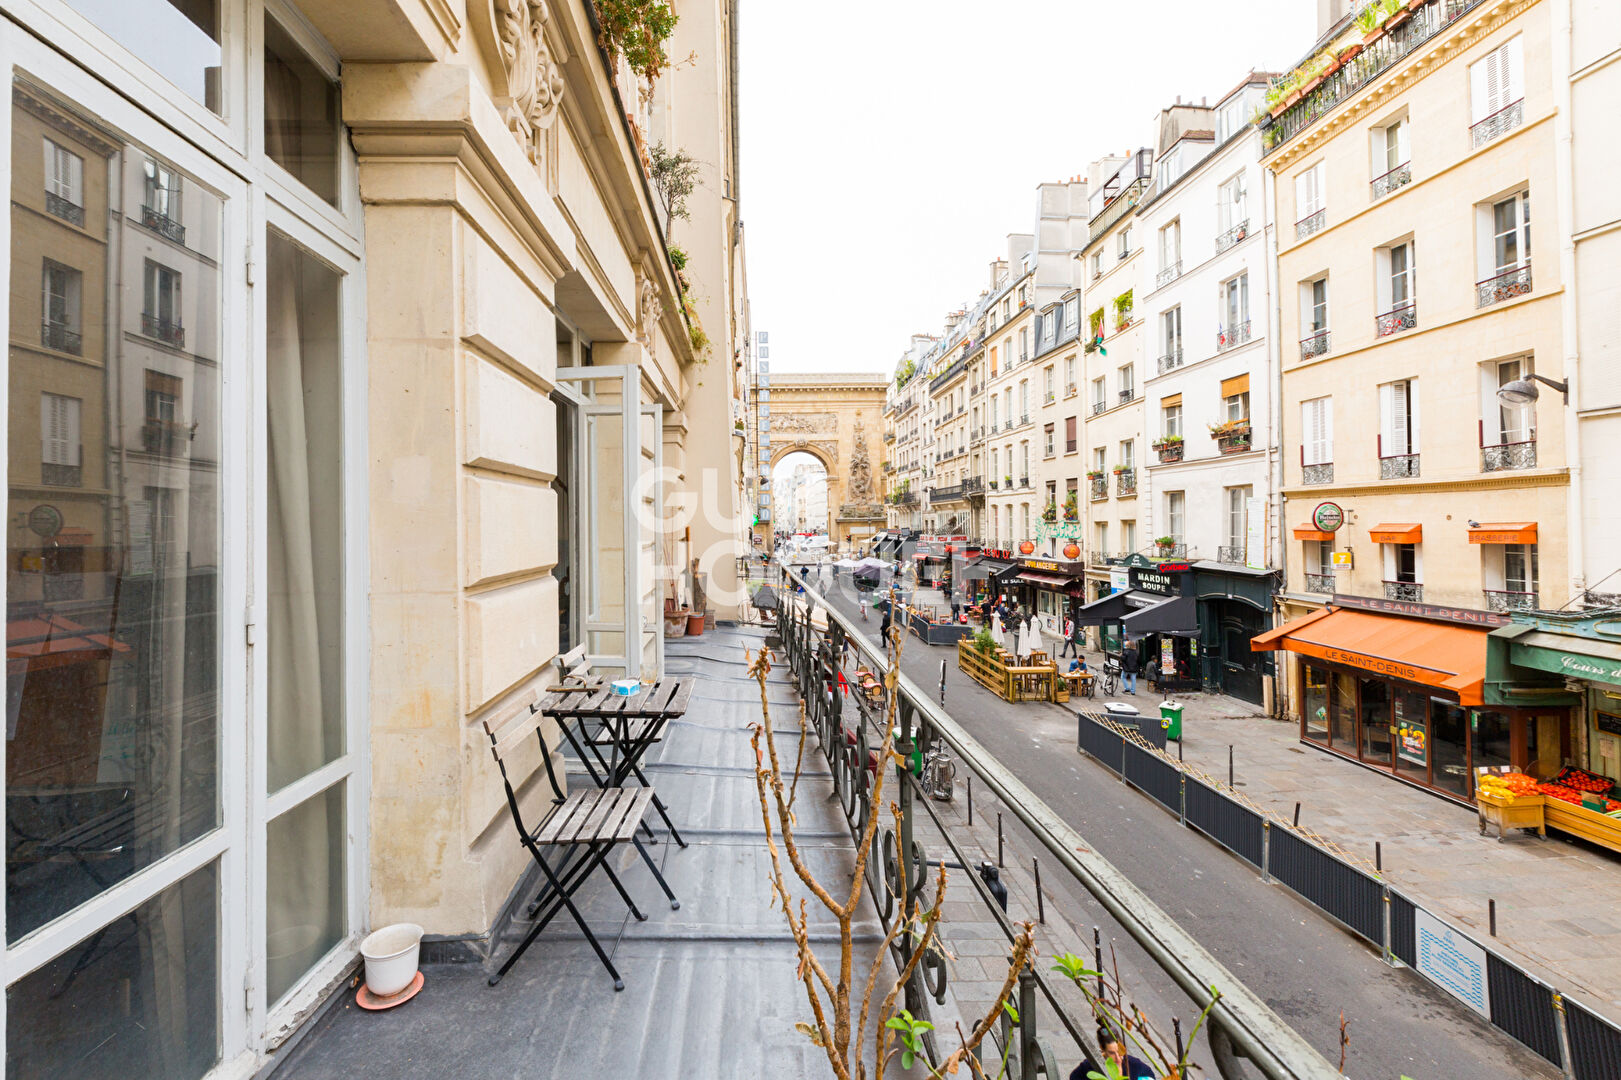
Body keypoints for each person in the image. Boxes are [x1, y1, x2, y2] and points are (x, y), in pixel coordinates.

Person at [1069, 1028, 1154, 1080]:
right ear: (1102, 1049)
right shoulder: (1090, 1066)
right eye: (1112, 1053)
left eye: (1120, 1051)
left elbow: (1150, 1076)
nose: (1118, 1058)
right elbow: (1074, 1077)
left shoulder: (1135, 1065)